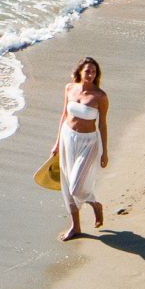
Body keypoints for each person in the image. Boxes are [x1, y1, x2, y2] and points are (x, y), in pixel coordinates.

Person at [57, 57, 108, 241]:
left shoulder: (100, 96)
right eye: (88, 70)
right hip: (67, 137)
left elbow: (102, 124)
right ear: (80, 71)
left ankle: (94, 204)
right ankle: (75, 227)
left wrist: (105, 151)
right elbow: (64, 115)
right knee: (67, 182)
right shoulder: (70, 88)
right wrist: (56, 144)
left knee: (76, 187)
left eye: (94, 71)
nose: (91, 74)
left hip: (88, 143)